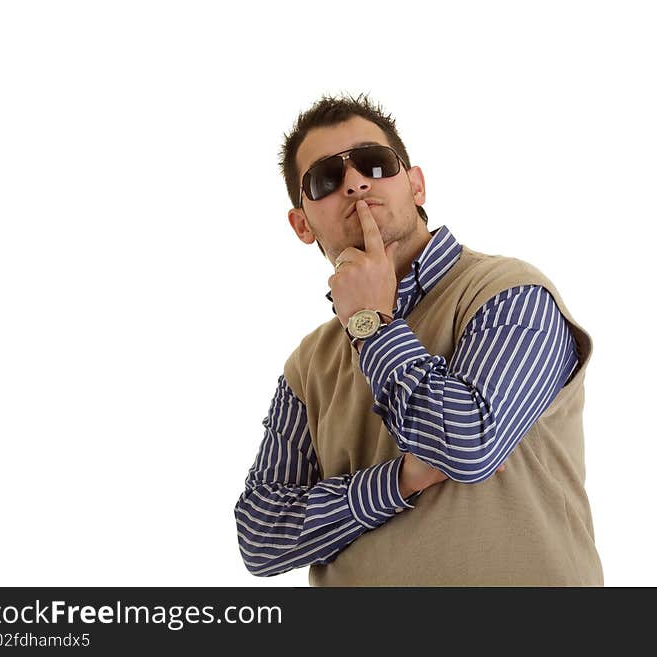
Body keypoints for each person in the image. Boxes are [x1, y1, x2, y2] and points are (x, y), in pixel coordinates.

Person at [233, 92, 603, 586]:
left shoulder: (508, 293)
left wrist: (371, 322)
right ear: (302, 225)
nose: (356, 183)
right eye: (326, 178)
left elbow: (466, 446)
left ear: (416, 184)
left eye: (375, 163)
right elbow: (260, 537)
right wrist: (397, 482)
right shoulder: (310, 364)